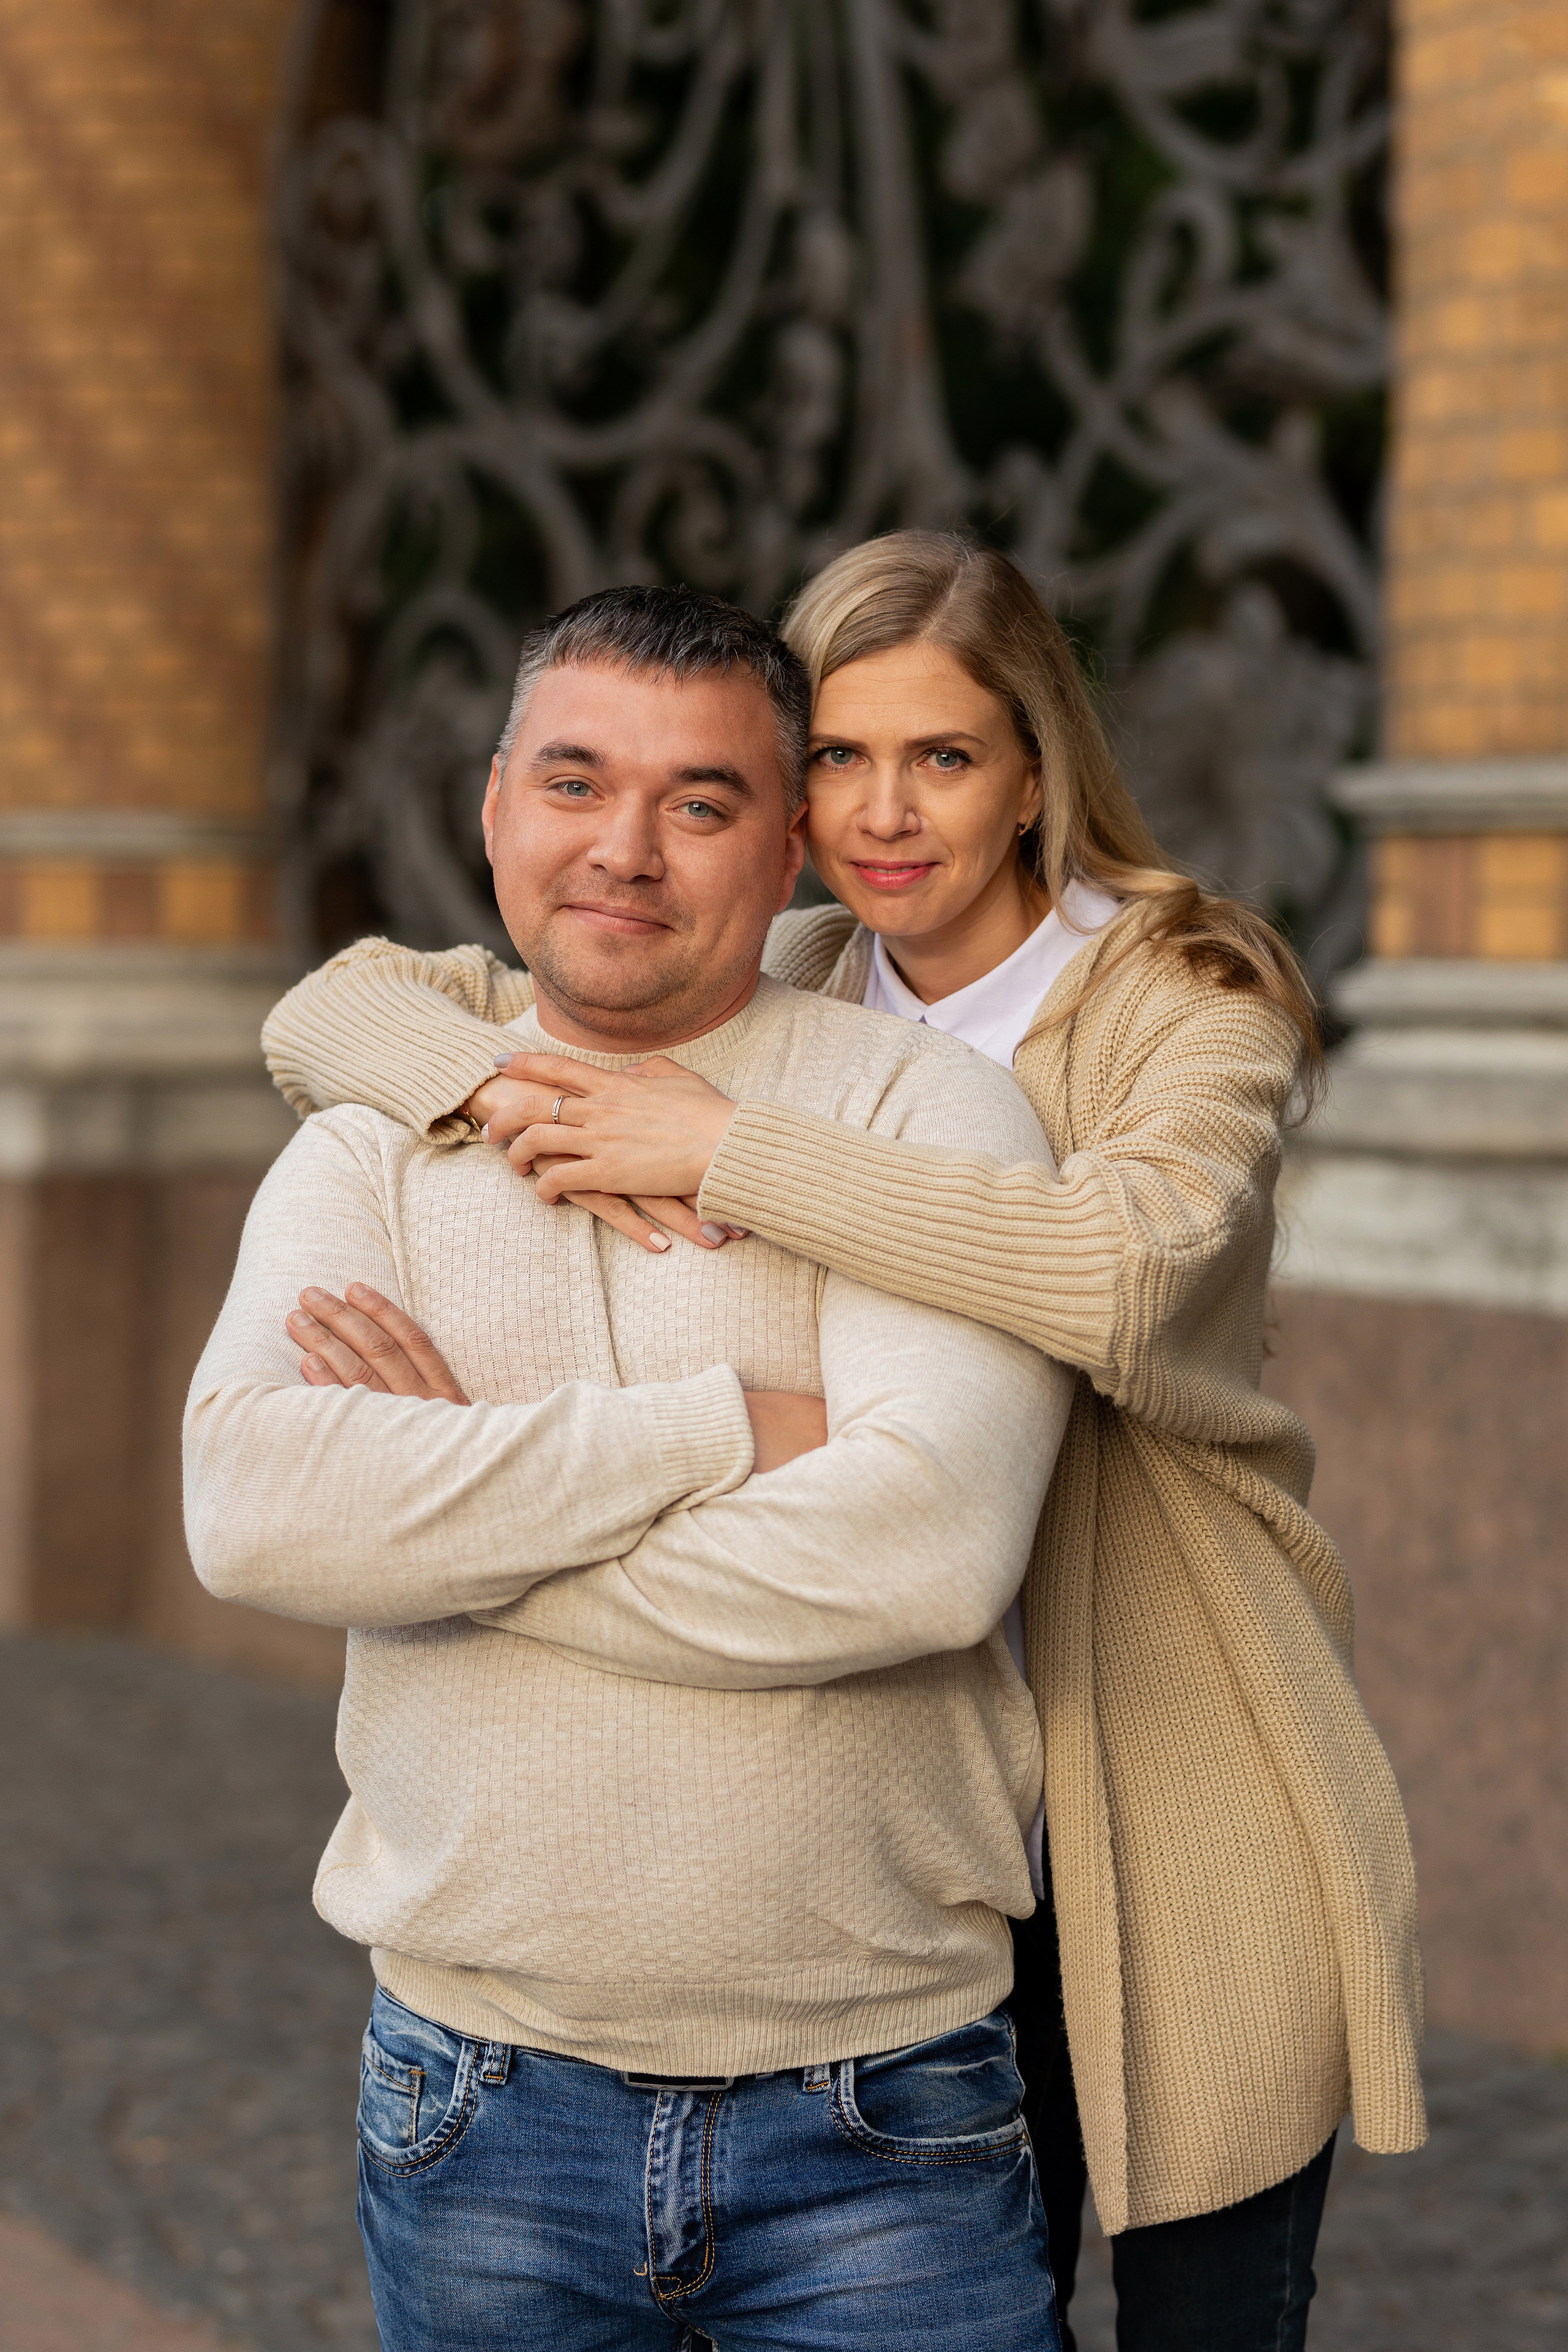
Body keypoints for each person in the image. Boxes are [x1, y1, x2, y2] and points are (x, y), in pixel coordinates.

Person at [263, 533, 1428, 2352]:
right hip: (914, 1805)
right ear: (788, 804)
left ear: (1036, 769)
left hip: (1145, 1726)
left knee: (1204, 2299)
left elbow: (1116, 1277)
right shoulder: (793, 956)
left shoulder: (1184, 993)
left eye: (946, 756)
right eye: (839, 759)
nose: (888, 813)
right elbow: (335, 1005)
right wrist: (490, 1084)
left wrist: (713, 1153)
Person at [187, 584, 1076, 2352]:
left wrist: (447, 1517)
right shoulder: (377, 1140)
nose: (629, 851)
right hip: (477, 2103)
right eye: (578, 784)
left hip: (881, 2116)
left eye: (702, 801)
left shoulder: (922, 1119)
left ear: (790, 842)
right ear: (497, 805)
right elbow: (252, 1508)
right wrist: (726, 1430)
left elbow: (921, 1558)